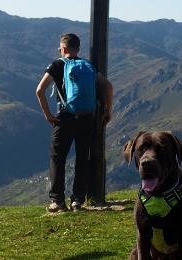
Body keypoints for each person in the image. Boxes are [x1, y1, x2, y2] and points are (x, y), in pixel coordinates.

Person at [34, 33, 113, 213]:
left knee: (57, 157)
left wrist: (48, 115)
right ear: (78, 49)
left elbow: (40, 90)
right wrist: (108, 110)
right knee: (82, 158)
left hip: (65, 117)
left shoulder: (57, 65)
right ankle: (78, 201)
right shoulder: (88, 66)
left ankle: (58, 202)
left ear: (63, 49)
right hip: (87, 118)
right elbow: (108, 86)